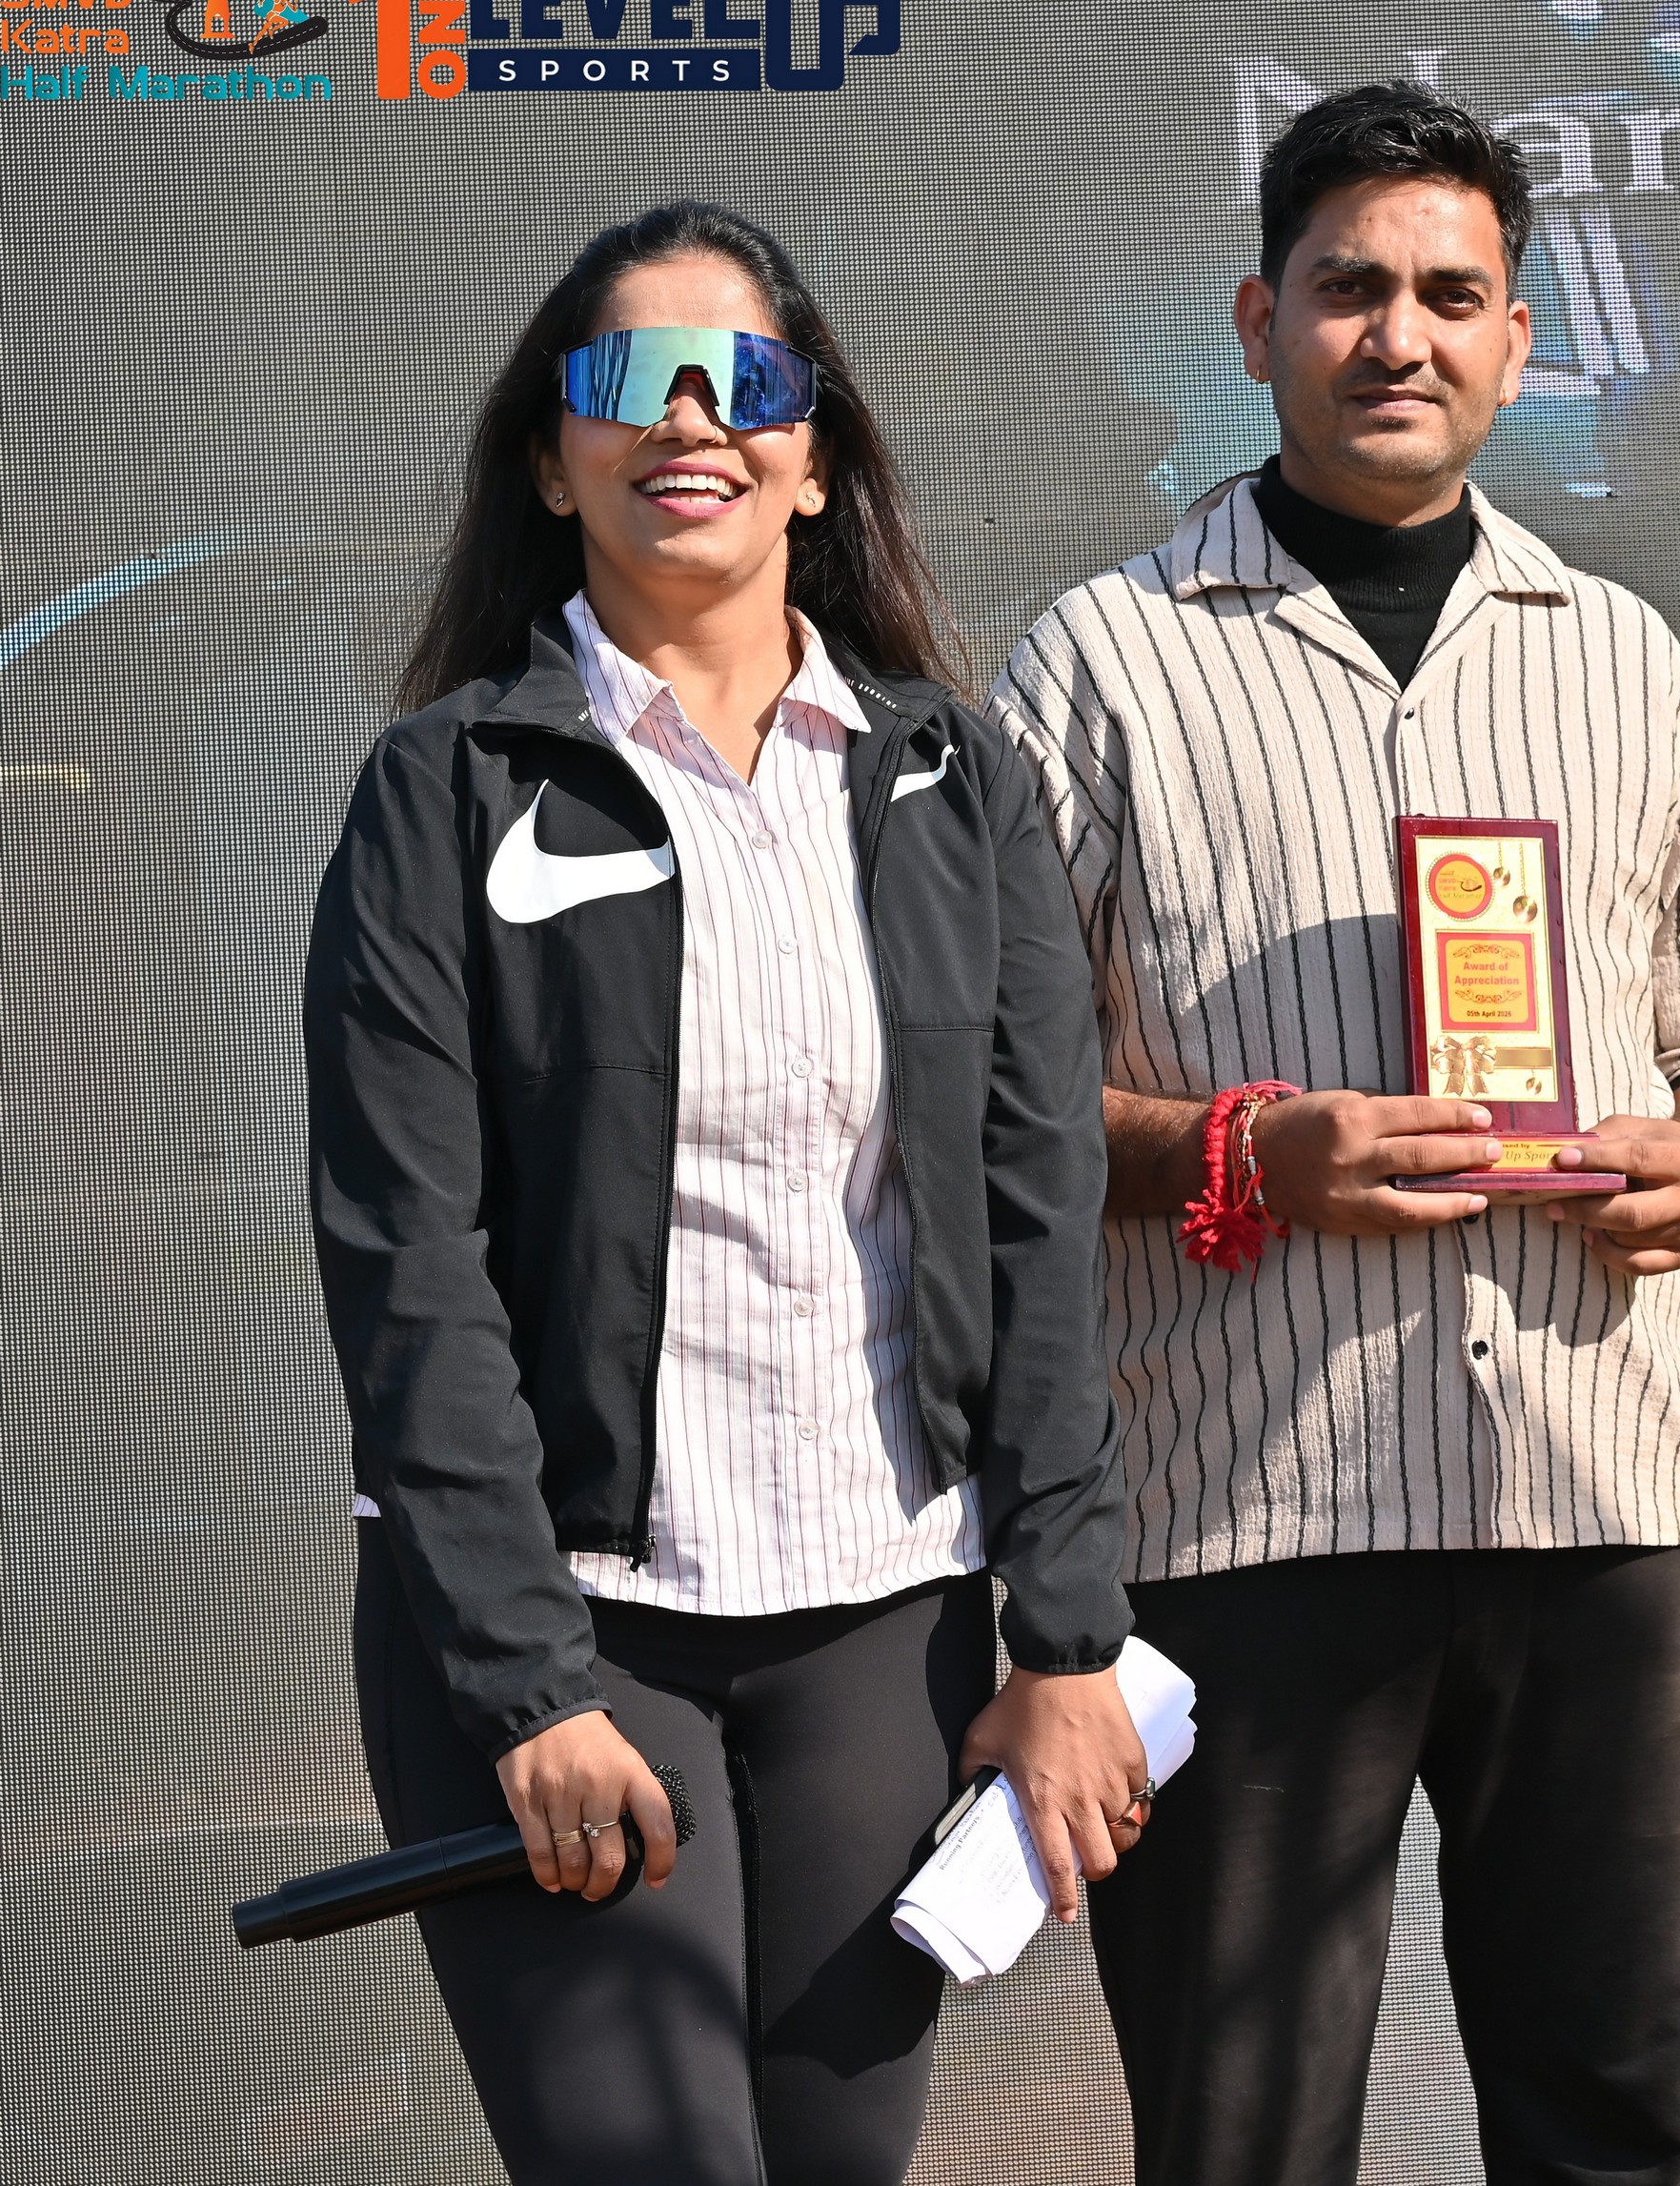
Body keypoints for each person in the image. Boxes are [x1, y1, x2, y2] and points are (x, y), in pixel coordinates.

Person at [988, 84, 1680, 2186]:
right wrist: (1245, 1156)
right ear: (1259, 319)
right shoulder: (1101, 660)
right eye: (1349, 287)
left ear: (1519, 339)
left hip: (1598, 1505)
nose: (1399, 334)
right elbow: (989, 1103)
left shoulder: (1619, 656)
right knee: (1245, 2141)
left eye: (1451, 293)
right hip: (1243, 1519)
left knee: (1635, 2127)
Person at [305, 199, 1147, 2186]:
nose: (691, 419)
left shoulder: (956, 778)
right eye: (630, 379)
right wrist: (525, 1684)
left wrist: (1068, 1636)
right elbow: (407, 1263)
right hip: (570, 1629)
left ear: (815, 454)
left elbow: (1037, 1220)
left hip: (884, 1615)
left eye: (745, 380)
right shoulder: (445, 789)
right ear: (552, 457)